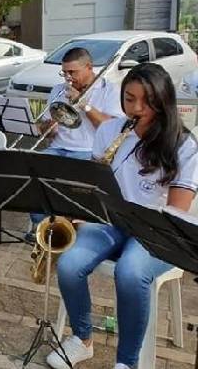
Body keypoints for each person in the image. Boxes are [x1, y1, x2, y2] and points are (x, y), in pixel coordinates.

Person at [46, 63, 198, 369]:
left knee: (129, 274)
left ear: (163, 101)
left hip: (158, 229)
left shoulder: (184, 145)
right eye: (129, 99)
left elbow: (176, 213)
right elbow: (94, 184)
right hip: (110, 221)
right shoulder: (109, 130)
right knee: (69, 262)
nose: (136, 109)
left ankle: (126, 362)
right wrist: (83, 212)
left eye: (147, 101)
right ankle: (82, 338)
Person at [28, 48, 124, 236]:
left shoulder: (109, 91)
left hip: (88, 151)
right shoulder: (58, 90)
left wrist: (83, 104)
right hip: (58, 149)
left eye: (73, 72)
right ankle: (44, 228)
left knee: (70, 185)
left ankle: (65, 228)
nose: (68, 78)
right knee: (32, 173)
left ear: (89, 67)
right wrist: (48, 127)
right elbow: (48, 129)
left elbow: (111, 129)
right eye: (64, 72)